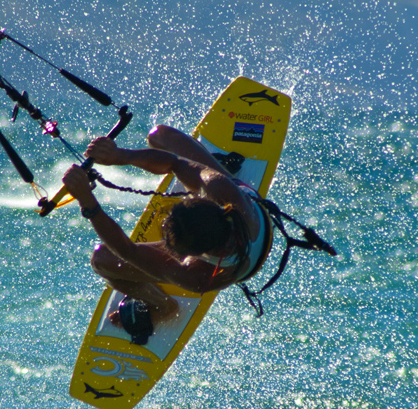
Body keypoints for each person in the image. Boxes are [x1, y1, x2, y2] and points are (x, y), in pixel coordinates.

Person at [61, 125, 273, 338]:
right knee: (159, 135)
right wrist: (120, 155)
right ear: (202, 201)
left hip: (248, 255)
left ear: (190, 254)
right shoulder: (219, 187)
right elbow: (174, 163)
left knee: (102, 260)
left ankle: (164, 307)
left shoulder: (198, 275)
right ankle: (218, 167)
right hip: (245, 208)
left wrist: (87, 201)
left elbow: (127, 251)